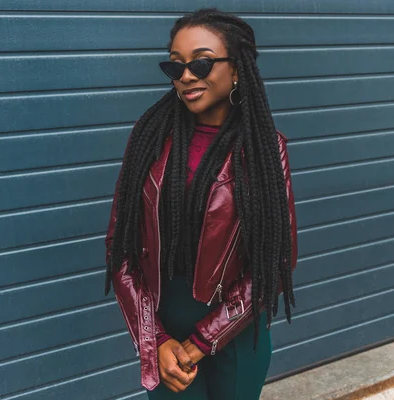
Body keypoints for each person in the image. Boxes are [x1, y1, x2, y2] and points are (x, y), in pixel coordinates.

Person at [103, 8, 298, 399]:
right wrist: (155, 340)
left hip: (237, 333)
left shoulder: (264, 149)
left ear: (238, 69)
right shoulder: (149, 141)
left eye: (202, 63)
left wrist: (203, 340)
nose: (187, 76)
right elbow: (120, 249)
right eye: (176, 67)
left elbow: (275, 261)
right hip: (166, 336)